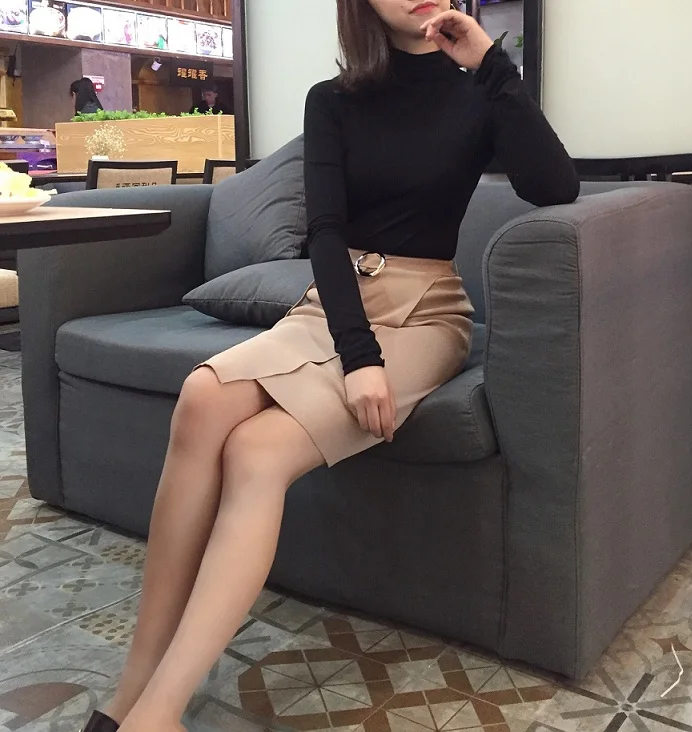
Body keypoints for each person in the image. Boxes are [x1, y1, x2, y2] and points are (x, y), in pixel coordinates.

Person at [79, 2, 579, 731]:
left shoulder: (477, 88)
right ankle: (135, 688)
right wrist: (357, 353)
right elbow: (324, 230)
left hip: (427, 311)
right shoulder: (334, 99)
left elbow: (554, 186)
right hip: (336, 301)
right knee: (201, 395)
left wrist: (492, 65)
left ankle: (159, 712)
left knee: (257, 452)